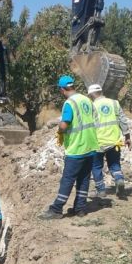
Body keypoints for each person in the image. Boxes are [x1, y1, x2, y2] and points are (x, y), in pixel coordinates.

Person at [39, 75, 99, 219]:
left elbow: (65, 123)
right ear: (73, 86)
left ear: (62, 89)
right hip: (91, 146)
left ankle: (57, 209)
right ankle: (80, 209)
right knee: (84, 178)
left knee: (68, 179)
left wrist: (59, 131)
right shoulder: (87, 100)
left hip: (77, 147)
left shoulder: (69, 103)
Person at [87, 84, 131, 198]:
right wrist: (127, 137)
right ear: (101, 92)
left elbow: (88, 125)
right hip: (114, 141)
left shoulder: (91, 106)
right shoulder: (114, 103)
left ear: (91, 95)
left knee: (96, 167)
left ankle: (101, 190)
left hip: (98, 143)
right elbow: (122, 120)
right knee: (114, 164)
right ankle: (119, 179)